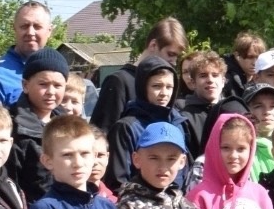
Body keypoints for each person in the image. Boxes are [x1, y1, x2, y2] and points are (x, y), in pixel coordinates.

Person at [91, 18, 188, 133]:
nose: (174, 62)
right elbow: (101, 133)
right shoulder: (119, 81)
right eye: (170, 54)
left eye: (177, 57)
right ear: (153, 45)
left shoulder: (168, 83)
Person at [105, 55, 187, 191]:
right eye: (156, 86)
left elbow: (183, 173)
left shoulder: (178, 123)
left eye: (169, 87)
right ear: (143, 87)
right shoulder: (127, 127)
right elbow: (117, 181)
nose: (164, 93)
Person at [5, 48, 70, 203]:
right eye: (43, 84)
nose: (51, 92)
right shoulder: (11, 127)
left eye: (58, 85)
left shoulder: (69, 125)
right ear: (25, 85)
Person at [0, 1, 55, 107]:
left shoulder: (58, 72)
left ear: (49, 30)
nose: (30, 32)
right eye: (24, 26)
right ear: (14, 28)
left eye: (37, 26)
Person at [177, 50, 231, 160]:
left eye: (215, 75)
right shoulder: (185, 118)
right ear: (193, 83)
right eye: (203, 76)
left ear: (223, 81)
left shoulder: (233, 111)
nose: (210, 80)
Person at [223, 31, 266, 103]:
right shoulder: (226, 79)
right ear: (237, 56)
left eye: (258, 58)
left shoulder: (264, 77)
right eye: (250, 57)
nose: (255, 63)